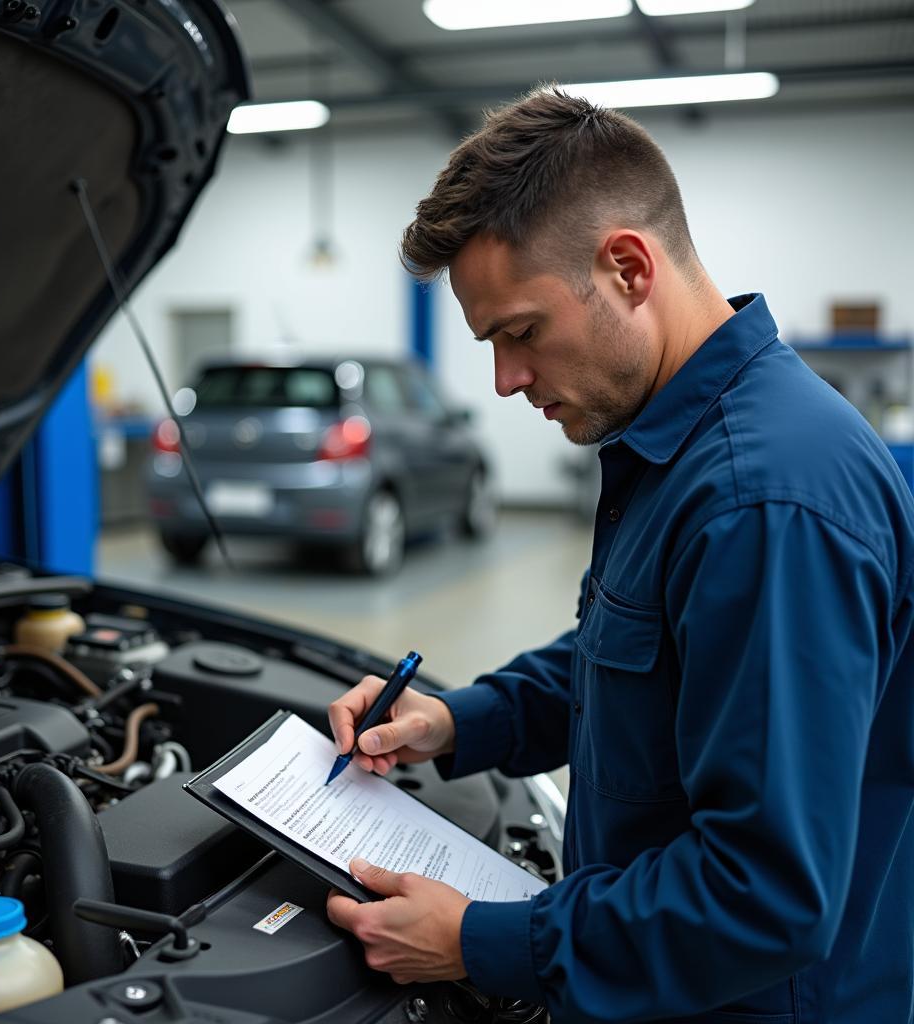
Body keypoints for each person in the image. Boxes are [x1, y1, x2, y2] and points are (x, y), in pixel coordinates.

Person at [324, 88, 914, 1022]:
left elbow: (765, 896)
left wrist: (479, 943)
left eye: (520, 332)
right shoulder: (679, 446)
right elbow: (639, 665)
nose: (506, 379)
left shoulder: (761, 501)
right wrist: (455, 722)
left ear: (629, 268)